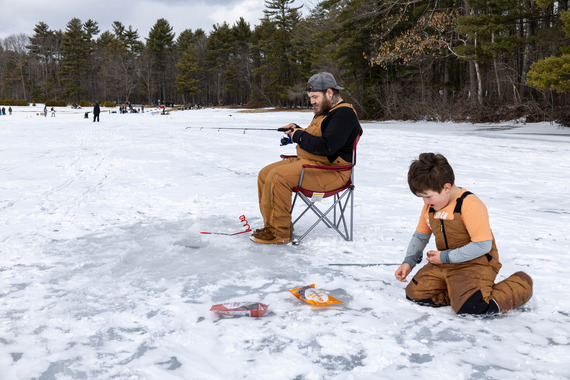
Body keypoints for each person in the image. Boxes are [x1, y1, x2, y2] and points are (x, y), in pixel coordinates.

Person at [394, 153, 533, 315]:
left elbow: (483, 245)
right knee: (415, 294)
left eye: (428, 196)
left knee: (473, 307)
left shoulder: (470, 205)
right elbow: (420, 236)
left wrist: (445, 257)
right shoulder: (430, 208)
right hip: (446, 263)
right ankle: (458, 293)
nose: (425, 203)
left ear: (446, 187)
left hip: (476, 263)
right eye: (422, 198)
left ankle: (521, 284)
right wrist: (408, 262)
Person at [252, 72, 362, 244]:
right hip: (313, 164)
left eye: (315, 97)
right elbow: (317, 137)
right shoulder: (326, 111)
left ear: (330, 93)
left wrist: (299, 136)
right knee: (265, 174)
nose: (312, 102)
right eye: (310, 97)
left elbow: (327, 146)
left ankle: (280, 233)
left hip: (332, 172)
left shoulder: (343, 115)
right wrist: (297, 129)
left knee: (277, 177)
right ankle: (271, 226)